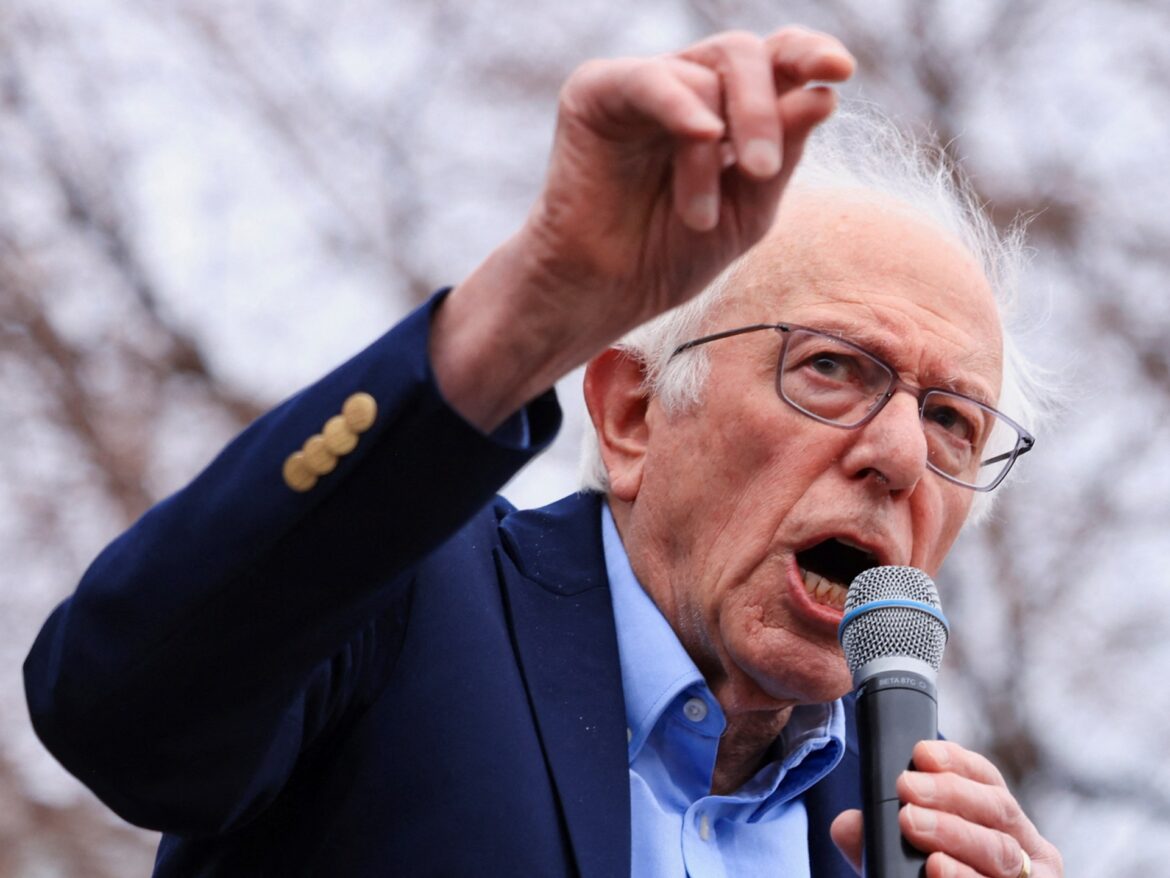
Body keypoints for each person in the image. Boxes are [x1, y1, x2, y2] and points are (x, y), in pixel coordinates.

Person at [24, 25, 1064, 878]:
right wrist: (523, 310)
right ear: (632, 416)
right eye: (833, 366)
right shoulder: (409, 604)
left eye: (953, 421)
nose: (899, 454)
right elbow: (115, 704)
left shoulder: (910, 834)